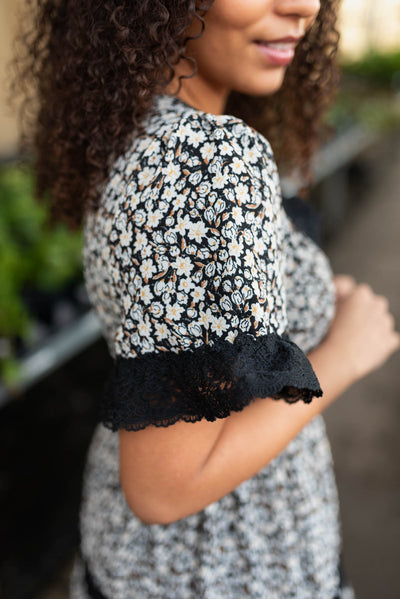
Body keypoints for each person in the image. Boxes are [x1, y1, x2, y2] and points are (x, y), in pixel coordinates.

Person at [8, 1, 399, 597]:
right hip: (228, 568)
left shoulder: (139, 128)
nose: (303, 4)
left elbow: (188, 343)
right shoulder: (202, 156)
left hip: (143, 565)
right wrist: (346, 351)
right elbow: (165, 488)